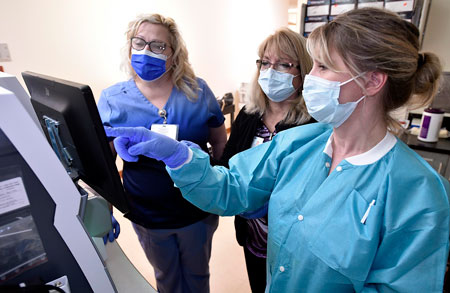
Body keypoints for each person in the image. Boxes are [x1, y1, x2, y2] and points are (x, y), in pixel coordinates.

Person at [105, 8, 450, 291]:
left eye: (323, 67)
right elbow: (232, 189)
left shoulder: (417, 191)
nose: (309, 78)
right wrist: (178, 155)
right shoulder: (299, 143)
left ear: (372, 81)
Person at [97, 13, 227, 293]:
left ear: (173, 53)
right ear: (129, 46)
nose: (147, 51)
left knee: (198, 276)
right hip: (147, 212)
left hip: (197, 208)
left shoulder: (197, 91)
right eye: (140, 42)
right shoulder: (113, 98)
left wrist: (222, 189)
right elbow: (105, 163)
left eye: (159, 46)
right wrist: (105, 207)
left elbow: (219, 141)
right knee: (166, 278)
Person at [218, 27, 314, 292]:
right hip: (254, 238)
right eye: (265, 63)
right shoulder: (248, 117)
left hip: (296, 245)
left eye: (284, 64)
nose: (272, 72)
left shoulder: (314, 124)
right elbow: (227, 167)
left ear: (303, 72)